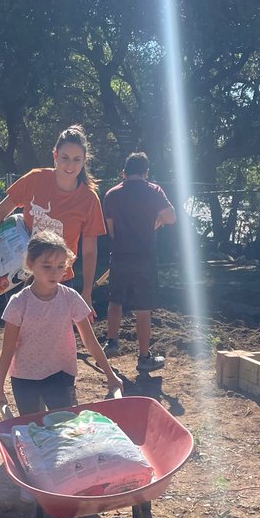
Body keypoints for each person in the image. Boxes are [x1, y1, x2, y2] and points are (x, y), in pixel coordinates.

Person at [0, 125, 105, 314]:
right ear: (55, 155)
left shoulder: (89, 199)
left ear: (84, 160)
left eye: (77, 159)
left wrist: (86, 293)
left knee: (56, 338)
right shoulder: (35, 179)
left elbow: (90, 250)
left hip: (59, 278)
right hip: (21, 275)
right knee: (20, 337)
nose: (70, 165)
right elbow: (2, 210)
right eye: (65, 158)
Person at [0, 231, 123, 415]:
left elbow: (89, 341)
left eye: (60, 266)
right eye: (47, 266)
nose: (55, 273)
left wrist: (110, 374)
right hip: (25, 378)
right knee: (35, 428)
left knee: (67, 427)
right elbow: (8, 348)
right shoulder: (19, 303)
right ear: (31, 264)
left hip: (60, 374)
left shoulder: (70, 298)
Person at [101, 152, 176, 372]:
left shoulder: (111, 195)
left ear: (124, 172)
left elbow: (111, 229)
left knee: (115, 302)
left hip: (120, 255)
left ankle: (112, 342)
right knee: (143, 309)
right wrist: (157, 222)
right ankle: (144, 358)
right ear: (146, 172)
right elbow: (171, 217)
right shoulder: (154, 191)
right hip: (145, 257)